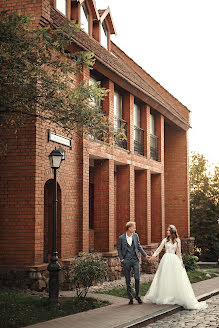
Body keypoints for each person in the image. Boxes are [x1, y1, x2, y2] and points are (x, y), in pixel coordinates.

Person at [143, 225, 208, 310]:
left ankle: (173, 295)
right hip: (165, 260)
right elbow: (159, 249)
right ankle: (164, 295)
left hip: (174, 260)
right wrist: (153, 256)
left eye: (169, 230)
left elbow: (178, 253)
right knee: (165, 277)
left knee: (174, 278)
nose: (167, 232)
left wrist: (181, 263)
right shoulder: (165, 240)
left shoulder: (177, 241)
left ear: (172, 232)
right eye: (167, 230)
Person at [117, 221, 150, 304]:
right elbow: (119, 249)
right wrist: (122, 259)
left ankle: (137, 296)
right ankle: (130, 297)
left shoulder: (135, 236)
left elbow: (139, 246)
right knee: (127, 280)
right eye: (133, 227)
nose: (135, 229)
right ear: (129, 228)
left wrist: (145, 255)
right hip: (126, 261)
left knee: (137, 278)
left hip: (135, 260)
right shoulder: (121, 238)